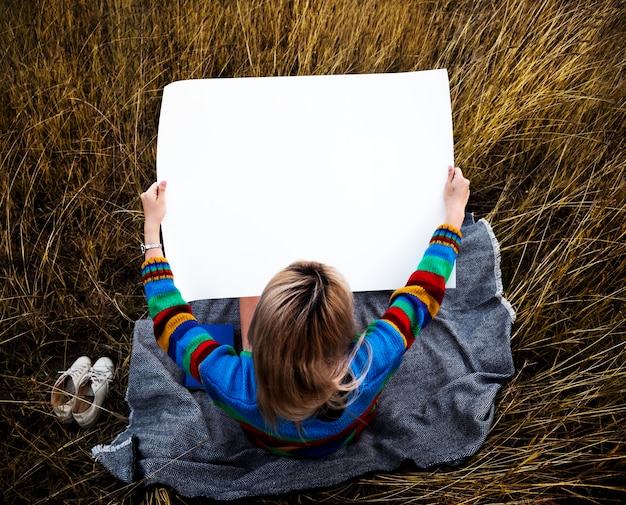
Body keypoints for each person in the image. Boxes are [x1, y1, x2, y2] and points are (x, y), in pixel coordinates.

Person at [140, 165, 470, 458]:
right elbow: (422, 294)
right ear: (348, 333)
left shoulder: (231, 382)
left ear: (258, 335)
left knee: (247, 285)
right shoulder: (373, 358)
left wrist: (152, 231)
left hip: (268, 441)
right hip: (347, 434)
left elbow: (170, 320)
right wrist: (454, 213)